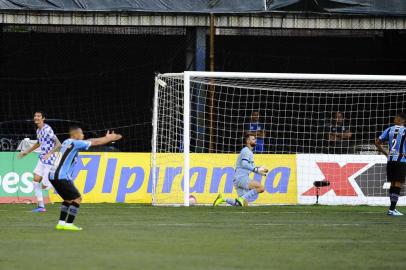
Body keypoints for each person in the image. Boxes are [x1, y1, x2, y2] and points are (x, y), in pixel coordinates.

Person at [48, 127, 122, 231]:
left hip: (52, 175)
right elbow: (95, 142)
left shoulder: (67, 142)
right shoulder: (75, 143)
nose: (83, 136)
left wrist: (105, 137)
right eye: (81, 134)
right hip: (61, 176)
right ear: (76, 135)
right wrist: (109, 138)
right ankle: (69, 224)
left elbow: (90, 140)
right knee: (78, 199)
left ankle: (61, 223)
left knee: (68, 199)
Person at [18, 111, 61, 212]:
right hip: (42, 158)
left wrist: (49, 154)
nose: (36, 117)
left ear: (43, 118)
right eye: (35, 116)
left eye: (38, 116)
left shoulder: (47, 129)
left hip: (50, 159)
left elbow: (58, 144)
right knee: (35, 180)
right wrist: (26, 152)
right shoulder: (38, 130)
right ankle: (41, 206)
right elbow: (38, 143)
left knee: (45, 186)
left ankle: (64, 190)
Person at [213, 132, 267, 207]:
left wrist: (260, 171)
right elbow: (244, 164)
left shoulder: (249, 152)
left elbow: (250, 167)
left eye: (255, 139)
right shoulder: (246, 151)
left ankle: (222, 199)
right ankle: (241, 198)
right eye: (253, 139)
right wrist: (256, 169)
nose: (255, 141)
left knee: (244, 205)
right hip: (241, 178)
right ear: (248, 141)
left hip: (237, 179)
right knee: (261, 188)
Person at [375, 113, 406, 216]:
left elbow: (377, 142)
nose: (394, 119)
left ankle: (392, 208)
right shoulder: (405, 130)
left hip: (390, 160)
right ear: (403, 121)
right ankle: (392, 209)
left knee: (393, 183)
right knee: (398, 183)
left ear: (400, 120)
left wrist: (386, 153)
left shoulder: (389, 129)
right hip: (401, 160)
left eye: (396, 118)